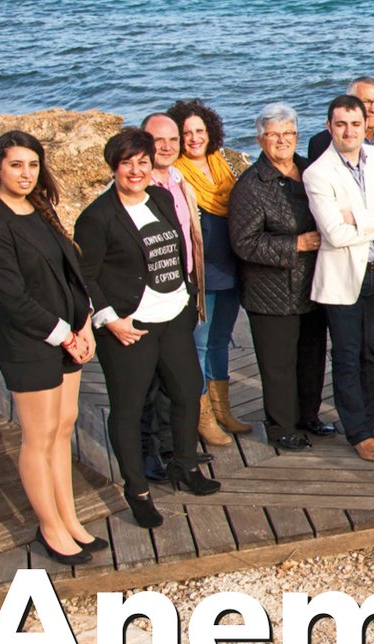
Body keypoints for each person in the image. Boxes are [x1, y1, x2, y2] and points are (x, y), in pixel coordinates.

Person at [77, 127, 222, 530]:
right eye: (127, 163)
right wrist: (109, 319)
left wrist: (187, 296)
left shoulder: (159, 197)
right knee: (129, 408)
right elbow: (84, 277)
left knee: (187, 392)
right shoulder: (97, 217)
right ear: (113, 167)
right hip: (130, 327)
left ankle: (185, 465)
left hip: (173, 317)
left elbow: (178, 250)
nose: (136, 170)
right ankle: (137, 491)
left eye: (142, 162)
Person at [0, 130, 104, 564]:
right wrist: (66, 335)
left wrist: (84, 323)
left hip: (69, 333)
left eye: (32, 165)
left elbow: (72, 269)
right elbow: (13, 298)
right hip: (30, 342)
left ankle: (69, 519)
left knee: (64, 426)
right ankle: (49, 527)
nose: (26, 173)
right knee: (40, 435)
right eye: (16, 165)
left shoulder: (40, 206)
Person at [305, 95, 374, 462]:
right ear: (329, 127)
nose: (349, 131)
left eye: (355, 123)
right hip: (342, 277)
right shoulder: (317, 173)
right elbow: (335, 234)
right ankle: (357, 432)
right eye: (341, 124)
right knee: (348, 355)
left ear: (365, 124)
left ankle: (373, 419)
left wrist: (357, 215)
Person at [228, 103, 329, 453]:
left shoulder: (311, 170)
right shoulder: (251, 186)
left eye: (288, 133)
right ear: (260, 139)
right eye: (273, 135)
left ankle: (308, 416)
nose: (282, 140)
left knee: (312, 357)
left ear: (297, 136)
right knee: (278, 365)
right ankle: (282, 428)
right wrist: (295, 244)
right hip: (270, 291)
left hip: (313, 285)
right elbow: (244, 243)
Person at [138, 112, 219, 489]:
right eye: (159, 140)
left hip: (183, 289)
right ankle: (150, 453)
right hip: (148, 298)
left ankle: (176, 450)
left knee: (179, 379)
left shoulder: (178, 180)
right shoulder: (136, 186)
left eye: (173, 139)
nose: (168, 146)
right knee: (149, 382)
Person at [169, 99, 254, 439]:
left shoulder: (223, 164)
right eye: (186, 133)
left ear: (210, 132)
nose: (194, 138)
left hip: (230, 265)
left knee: (221, 340)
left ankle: (223, 411)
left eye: (199, 131)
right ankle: (202, 417)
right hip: (202, 272)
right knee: (200, 344)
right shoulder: (176, 174)